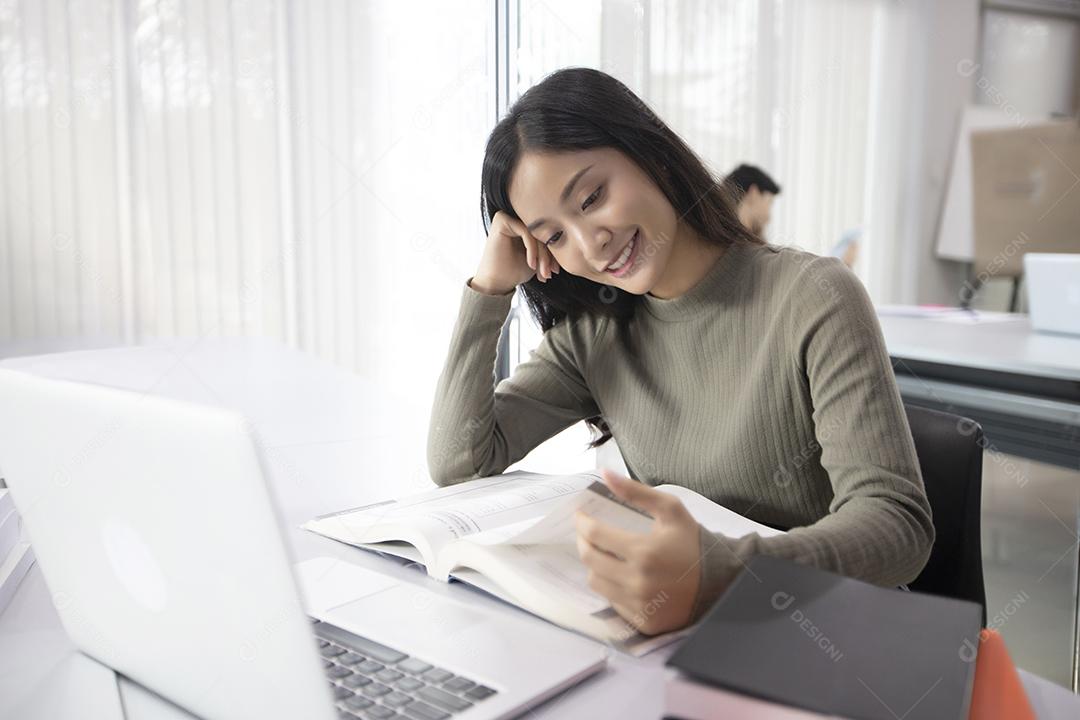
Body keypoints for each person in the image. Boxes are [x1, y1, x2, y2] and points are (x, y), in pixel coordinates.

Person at [426, 68, 933, 636]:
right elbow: (460, 461)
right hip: (687, 635)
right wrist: (489, 290)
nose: (591, 245)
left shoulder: (812, 296)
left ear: (653, 154)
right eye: (554, 237)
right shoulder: (595, 333)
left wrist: (724, 574)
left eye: (592, 197)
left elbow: (897, 526)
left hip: (826, 636)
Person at [722, 163, 781, 235]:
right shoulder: (739, 242)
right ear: (754, 193)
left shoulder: (715, 234)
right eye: (769, 202)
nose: (768, 218)